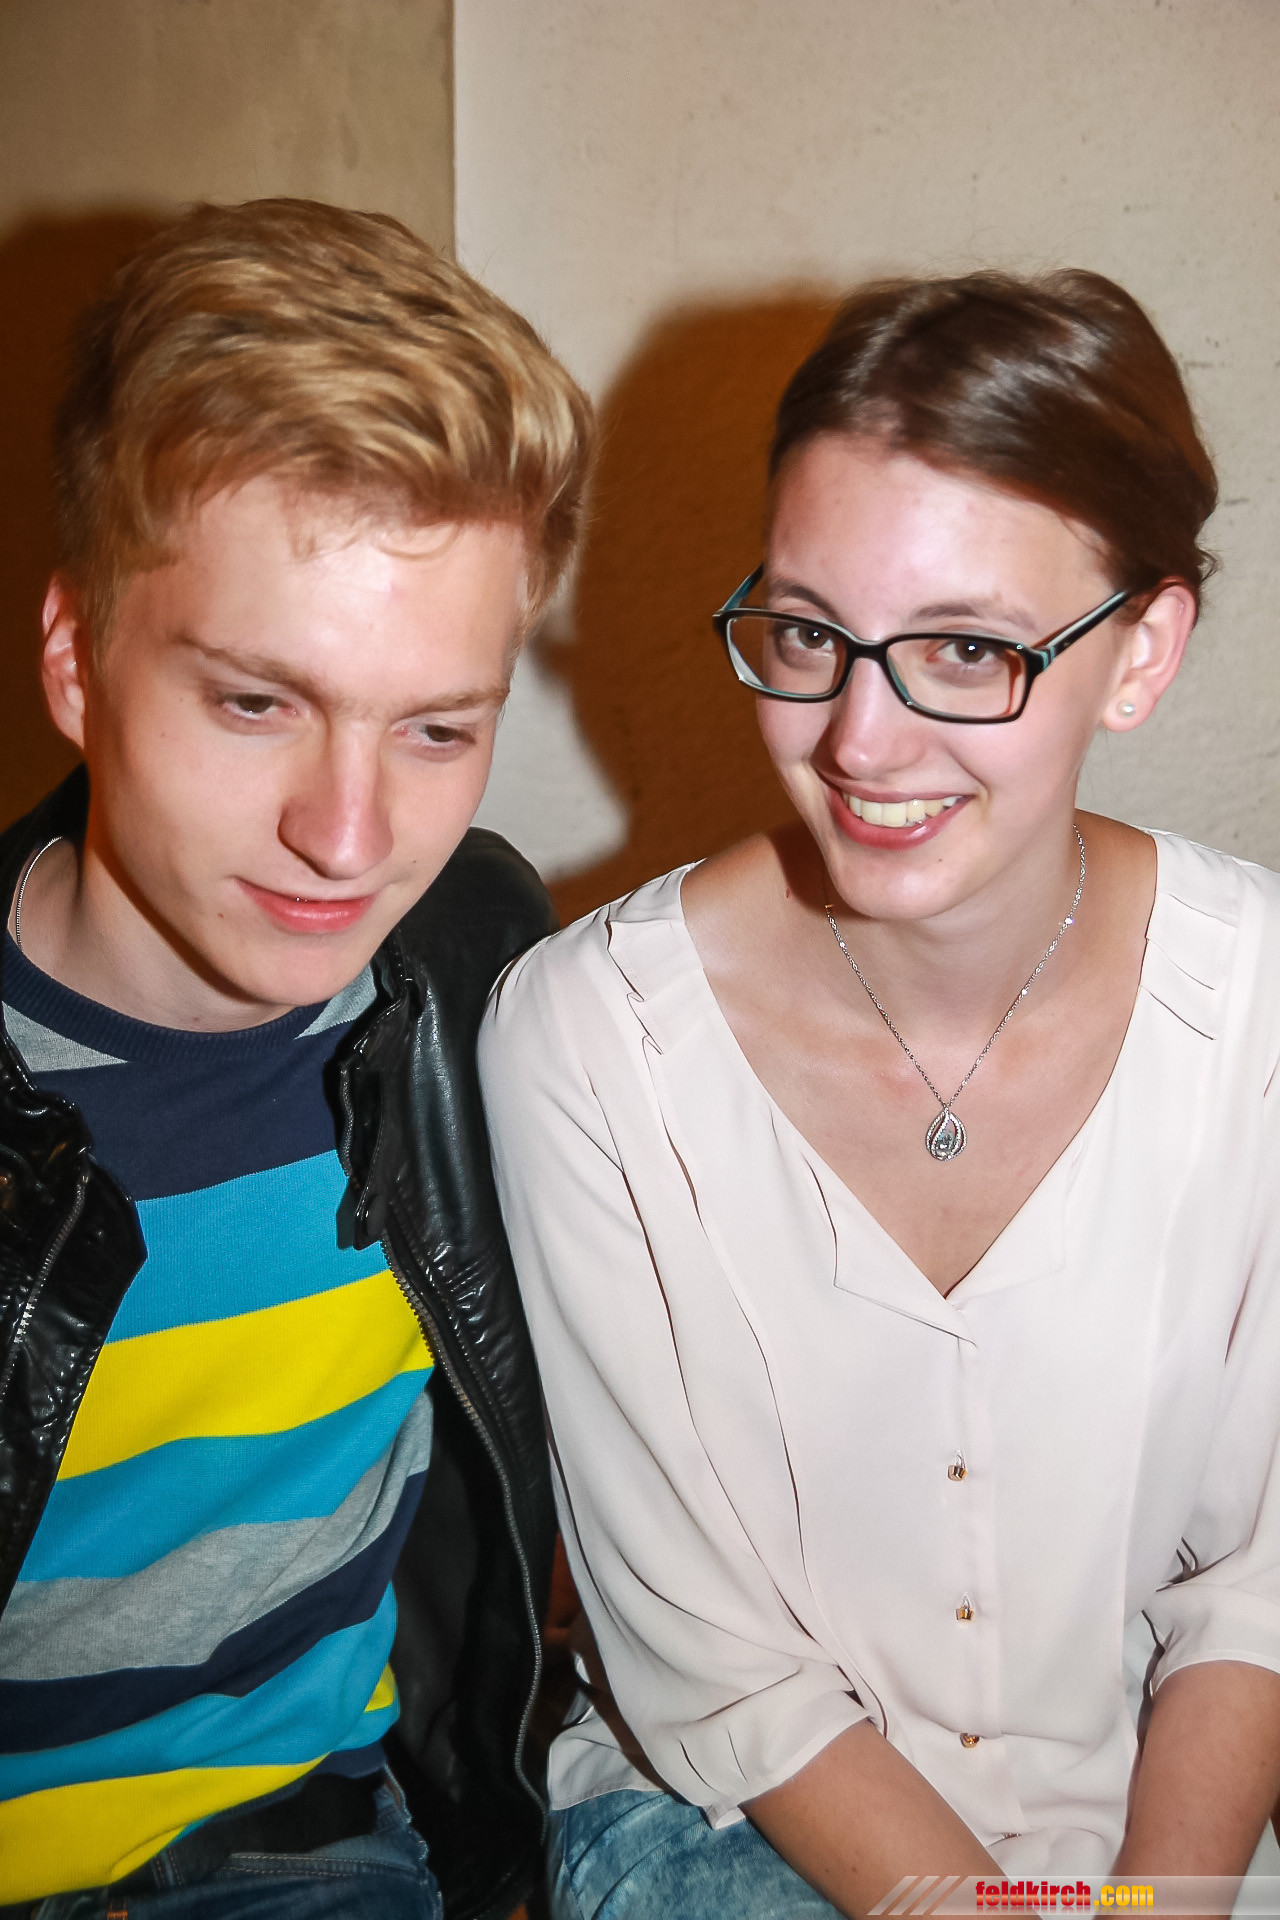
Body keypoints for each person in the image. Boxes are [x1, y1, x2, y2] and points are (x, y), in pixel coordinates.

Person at [478, 270, 1280, 1918]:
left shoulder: (1257, 1001)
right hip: (728, 1835)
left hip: (1156, 1842)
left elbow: (1255, 1591)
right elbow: (717, 1669)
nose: (857, 737)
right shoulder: (583, 1040)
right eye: (806, 633)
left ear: (1141, 653)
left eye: (967, 648)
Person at [0, 198, 592, 1918]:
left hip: (309, 1860)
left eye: (436, 729)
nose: (347, 837)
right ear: (77, 660)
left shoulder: (476, 969)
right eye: (257, 702)